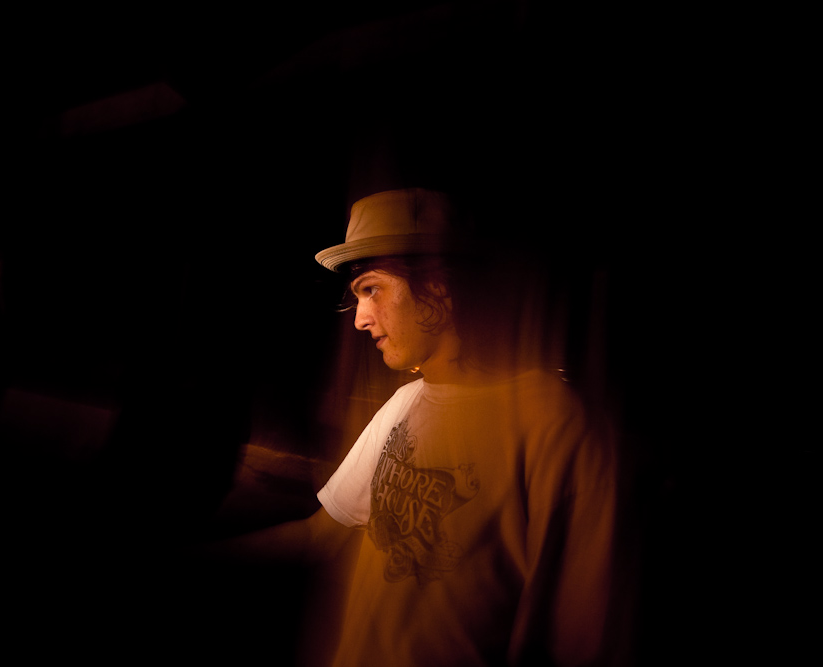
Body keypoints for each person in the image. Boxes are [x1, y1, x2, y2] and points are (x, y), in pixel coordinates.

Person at [214, 188, 620, 667]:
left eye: (371, 289)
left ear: (438, 286)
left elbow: (579, 639)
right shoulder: (404, 404)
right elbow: (320, 536)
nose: (360, 319)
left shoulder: (554, 421)